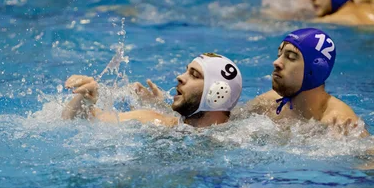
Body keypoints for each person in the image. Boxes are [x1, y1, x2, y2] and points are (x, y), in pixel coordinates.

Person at [62, 53, 242, 127]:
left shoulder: (244, 135)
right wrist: (84, 99)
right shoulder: (157, 122)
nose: (180, 76)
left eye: (194, 75)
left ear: (218, 93)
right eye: (186, 70)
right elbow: (84, 119)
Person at [245, 28, 367, 136]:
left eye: (291, 57)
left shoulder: (340, 123)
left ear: (315, 70)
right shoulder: (268, 104)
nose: (276, 62)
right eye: (279, 54)